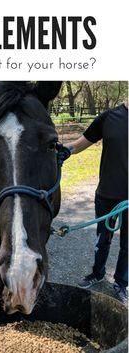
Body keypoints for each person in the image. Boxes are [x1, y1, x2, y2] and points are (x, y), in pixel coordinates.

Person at [66, 101, 128, 305]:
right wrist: (65, 151)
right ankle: (97, 273)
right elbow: (85, 140)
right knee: (103, 239)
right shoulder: (110, 117)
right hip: (107, 194)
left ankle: (121, 283)